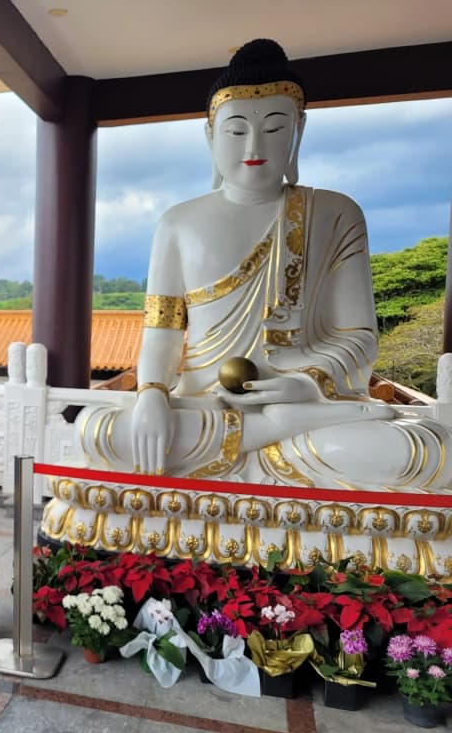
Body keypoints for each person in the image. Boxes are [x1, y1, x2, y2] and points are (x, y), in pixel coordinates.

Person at [75, 38, 451, 492]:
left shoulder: (335, 213)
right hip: (205, 407)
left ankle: (270, 434)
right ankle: (271, 431)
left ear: (299, 131)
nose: (254, 144)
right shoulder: (177, 222)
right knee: (97, 431)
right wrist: (152, 394)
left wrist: (308, 385)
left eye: (275, 128)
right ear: (210, 135)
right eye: (236, 131)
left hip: (307, 409)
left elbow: (359, 336)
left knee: (426, 452)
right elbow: (162, 333)